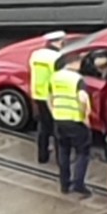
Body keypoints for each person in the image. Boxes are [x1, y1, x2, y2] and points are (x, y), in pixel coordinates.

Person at [48, 57, 93, 197]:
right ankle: (79, 184)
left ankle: (64, 184)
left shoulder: (54, 77)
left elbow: (49, 97)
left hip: (59, 119)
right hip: (75, 121)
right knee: (82, 152)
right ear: (71, 63)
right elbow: (82, 98)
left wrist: (54, 113)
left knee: (63, 151)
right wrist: (85, 117)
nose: (79, 65)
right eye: (77, 61)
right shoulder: (77, 79)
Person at [28, 30, 65, 164]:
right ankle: (60, 158)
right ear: (59, 42)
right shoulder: (58, 58)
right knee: (57, 128)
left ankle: (42, 156)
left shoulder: (36, 54)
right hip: (53, 96)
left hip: (38, 94)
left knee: (44, 127)